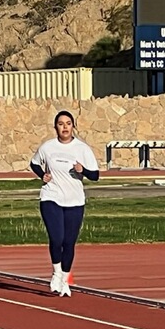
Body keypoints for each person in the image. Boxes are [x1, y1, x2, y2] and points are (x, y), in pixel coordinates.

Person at [30, 110, 99, 298]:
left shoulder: (82, 149)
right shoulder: (48, 147)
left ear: (73, 126)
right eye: (61, 124)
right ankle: (56, 273)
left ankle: (65, 280)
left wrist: (82, 170)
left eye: (68, 123)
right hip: (51, 196)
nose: (65, 127)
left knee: (69, 242)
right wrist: (42, 175)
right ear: (56, 127)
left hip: (75, 200)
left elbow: (95, 175)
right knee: (57, 238)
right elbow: (34, 163)